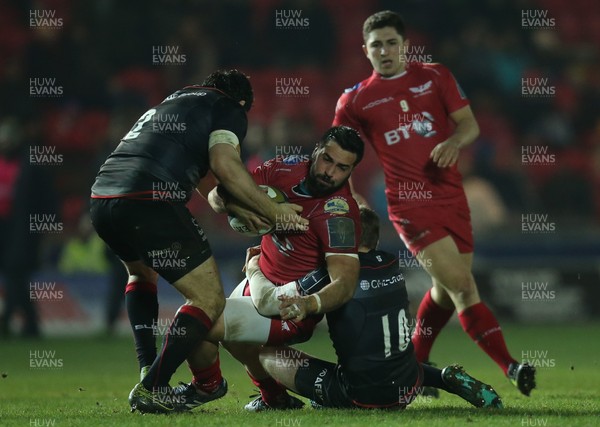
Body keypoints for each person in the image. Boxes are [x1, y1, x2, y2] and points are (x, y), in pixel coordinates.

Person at [332, 11, 535, 396]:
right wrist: (354, 197)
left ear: (405, 45)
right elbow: (339, 153)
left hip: (452, 195)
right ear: (365, 50)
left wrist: (454, 142)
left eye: (392, 42)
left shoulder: (435, 76)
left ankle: (415, 369)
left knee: (444, 291)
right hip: (409, 205)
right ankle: (511, 366)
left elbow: (469, 124)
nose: (385, 50)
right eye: (377, 45)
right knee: (461, 284)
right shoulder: (355, 99)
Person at [89, 69, 308, 413]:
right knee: (208, 299)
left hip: (104, 197)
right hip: (150, 199)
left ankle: (150, 370)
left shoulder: (173, 104)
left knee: (141, 275)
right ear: (241, 102)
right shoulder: (228, 109)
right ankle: (153, 387)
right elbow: (225, 163)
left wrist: (238, 207)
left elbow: (210, 185)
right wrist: (274, 212)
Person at [170, 125, 365, 413]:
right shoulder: (282, 169)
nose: (330, 172)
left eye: (342, 168)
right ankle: (276, 399)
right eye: (327, 159)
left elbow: (345, 283)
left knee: (200, 324)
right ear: (316, 151)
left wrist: (310, 303)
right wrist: (235, 204)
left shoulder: (339, 214)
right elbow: (220, 195)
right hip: (258, 279)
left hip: (288, 306)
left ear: (351, 171)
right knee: (237, 344)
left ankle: (206, 386)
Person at [256, 207, 503, 409]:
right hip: (407, 383)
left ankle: (284, 399)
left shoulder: (333, 274)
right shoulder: (391, 264)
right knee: (389, 356)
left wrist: (254, 268)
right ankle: (443, 378)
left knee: (266, 354)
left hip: (363, 396)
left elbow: (272, 301)